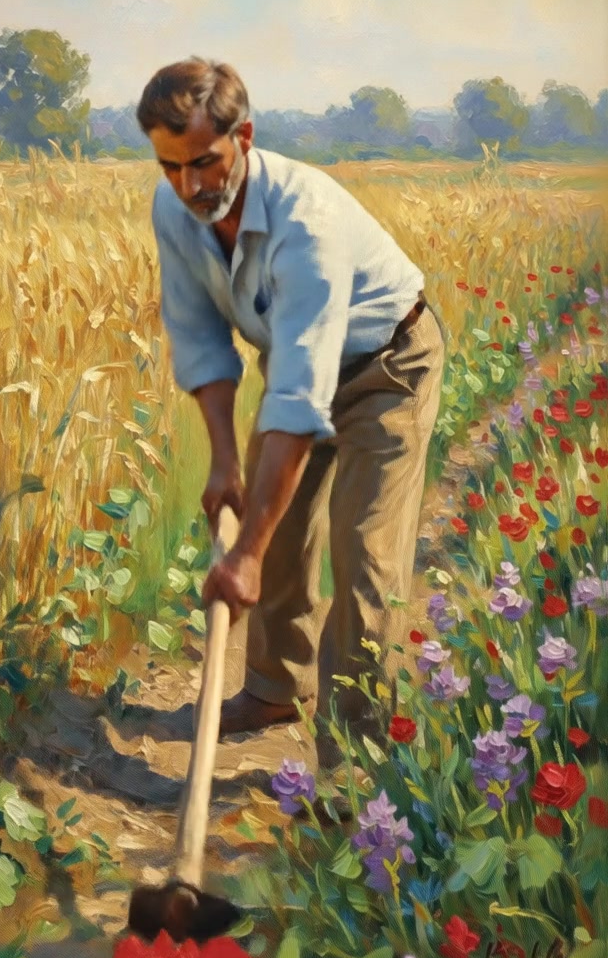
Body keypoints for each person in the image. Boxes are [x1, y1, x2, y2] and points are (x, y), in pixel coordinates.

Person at [136, 57, 445, 746]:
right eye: (169, 166)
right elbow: (202, 340)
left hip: (386, 367)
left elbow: (303, 396)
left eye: (205, 162)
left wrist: (238, 557)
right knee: (271, 532)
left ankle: (356, 757)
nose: (189, 185)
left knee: (363, 555)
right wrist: (224, 462)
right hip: (295, 361)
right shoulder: (176, 208)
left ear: (244, 136)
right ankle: (276, 692)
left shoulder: (304, 218)